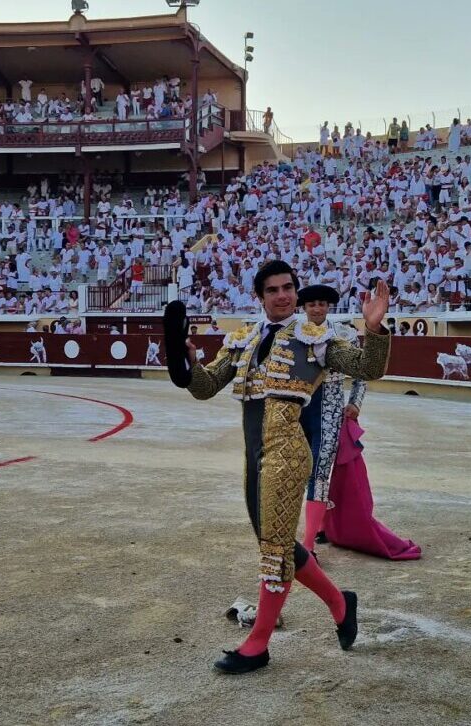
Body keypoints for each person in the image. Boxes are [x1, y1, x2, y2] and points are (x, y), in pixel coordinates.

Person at [171, 261, 392, 675]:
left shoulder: (316, 337)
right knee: (276, 544)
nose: (283, 295)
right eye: (273, 289)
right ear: (260, 296)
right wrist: (185, 362)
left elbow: (368, 368)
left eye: (288, 287)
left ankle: (258, 644)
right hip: (253, 456)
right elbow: (204, 388)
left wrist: (375, 332)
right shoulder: (244, 339)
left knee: (274, 548)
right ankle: (341, 603)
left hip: (288, 454)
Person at [296, 284, 364, 555]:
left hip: (331, 409)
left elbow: (362, 372)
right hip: (300, 408)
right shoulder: (293, 334)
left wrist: (355, 402)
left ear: (329, 307)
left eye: (322, 304)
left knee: (320, 470)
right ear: (304, 307)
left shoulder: (345, 334)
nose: (317, 309)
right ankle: (320, 527)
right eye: (312, 304)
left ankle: (309, 544)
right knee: (302, 468)